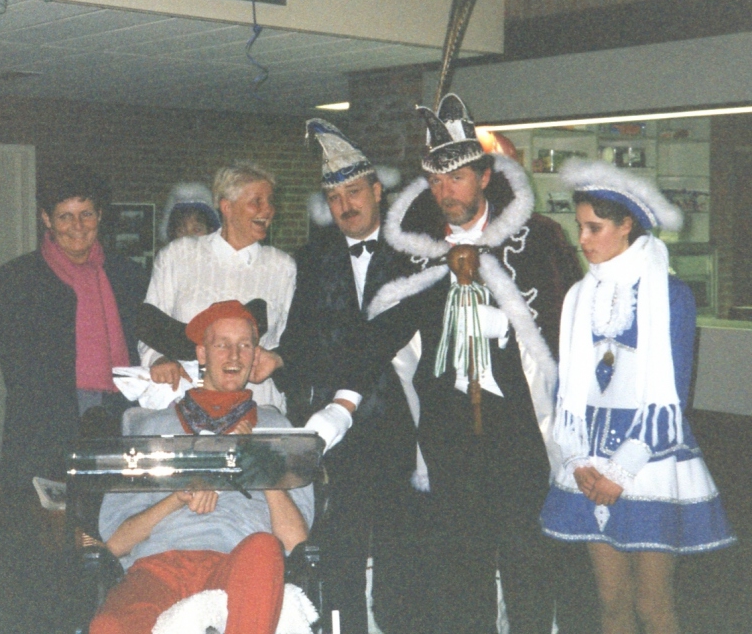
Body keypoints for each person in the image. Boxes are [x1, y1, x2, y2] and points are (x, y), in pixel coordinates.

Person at [305, 94, 582, 634]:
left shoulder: (537, 242)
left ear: (484, 177)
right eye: (435, 181)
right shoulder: (415, 252)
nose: (444, 192)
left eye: (456, 178)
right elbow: (381, 334)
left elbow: (565, 332)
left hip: (519, 430)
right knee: (461, 571)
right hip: (447, 432)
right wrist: (341, 405)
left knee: (527, 563)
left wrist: (506, 324)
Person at [540, 159, 736, 634]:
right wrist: (577, 458)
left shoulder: (670, 295)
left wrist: (622, 469)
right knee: (611, 602)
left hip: (649, 456)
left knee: (653, 604)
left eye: (595, 227)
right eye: (580, 227)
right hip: (589, 457)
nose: (583, 239)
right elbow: (567, 389)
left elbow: (673, 393)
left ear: (627, 225)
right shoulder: (578, 296)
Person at [273, 119, 424, 634]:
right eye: (334, 197)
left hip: (402, 426)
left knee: (400, 556)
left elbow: (392, 334)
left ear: (377, 191)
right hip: (337, 436)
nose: (345, 205)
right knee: (340, 554)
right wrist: (279, 362)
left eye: (354, 192)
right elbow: (300, 338)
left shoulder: (412, 252)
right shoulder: (314, 258)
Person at [90, 300, 314, 634]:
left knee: (264, 548)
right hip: (158, 567)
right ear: (202, 353)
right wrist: (177, 498)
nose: (234, 356)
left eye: (245, 345)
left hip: (236, 564)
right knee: (109, 626)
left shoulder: (279, 430)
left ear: (256, 355)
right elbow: (116, 544)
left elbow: (296, 543)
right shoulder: (152, 427)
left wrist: (261, 467)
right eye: (222, 345)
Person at [0, 164, 147, 633]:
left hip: (120, 412)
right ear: (46, 219)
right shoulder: (14, 279)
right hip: (50, 424)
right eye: (65, 216)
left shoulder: (129, 276)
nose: (78, 226)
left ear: (100, 216)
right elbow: (20, 371)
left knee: (114, 526)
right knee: (53, 539)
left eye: (87, 214)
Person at [138, 162, 295, 411]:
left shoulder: (282, 267)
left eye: (270, 202)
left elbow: (292, 340)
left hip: (257, 404)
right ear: (227, 207)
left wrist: (276, 359)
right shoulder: (178, 255)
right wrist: (159, 359)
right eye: (256, 201)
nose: (267, 210)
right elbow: (149, 323)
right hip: (185, 400)